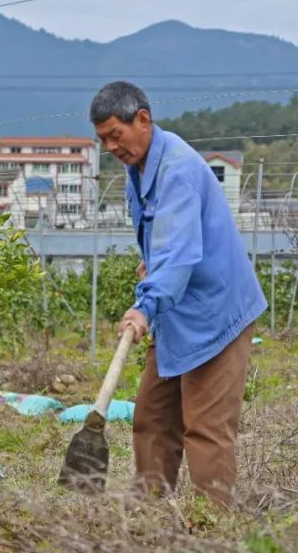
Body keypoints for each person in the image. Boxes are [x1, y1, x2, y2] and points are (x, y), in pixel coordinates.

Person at [89, 81, 266, 507]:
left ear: (143, 120)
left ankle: (211, 530)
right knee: (152, 418)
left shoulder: (178, 169)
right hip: (176, 308)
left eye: (116, 134)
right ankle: (149, 515)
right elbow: (168, 241)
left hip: (215, 314)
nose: (111, 146)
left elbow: (181, 254)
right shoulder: (139, 167)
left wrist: (144, 305)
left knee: (205, 427)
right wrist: (154, 262)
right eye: (103, 140)